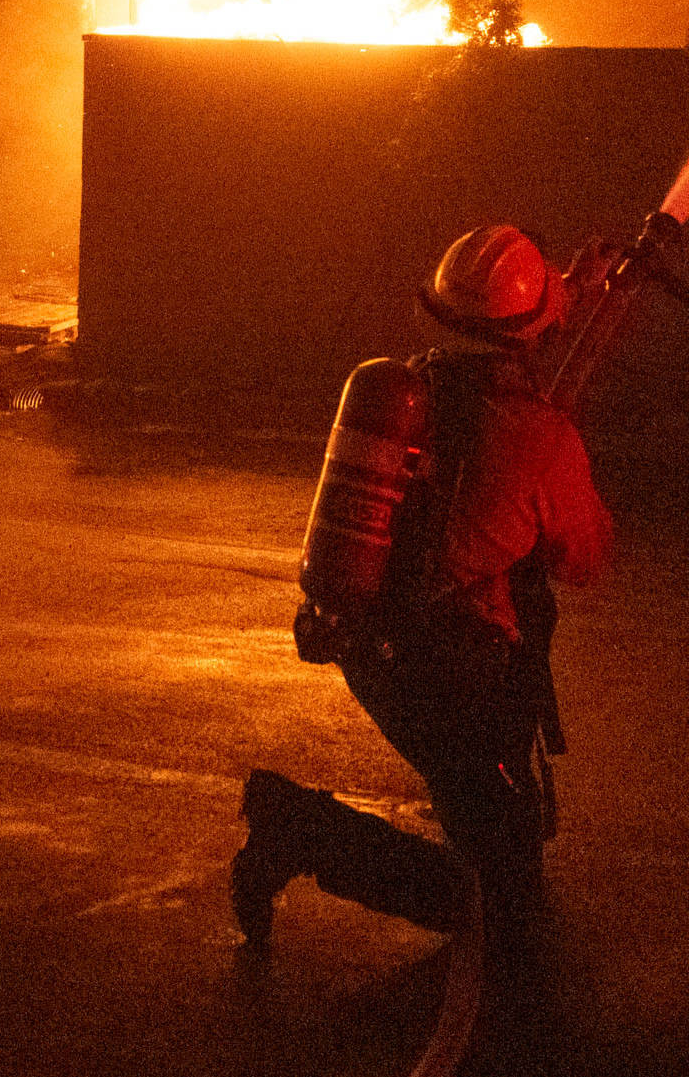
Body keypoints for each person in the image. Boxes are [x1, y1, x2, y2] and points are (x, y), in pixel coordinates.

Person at [235, 221, 612, 946]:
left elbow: (502, 322)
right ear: (527, 331)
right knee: (498, 908)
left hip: (370, 647)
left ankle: (472, 832)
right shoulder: (541, 438)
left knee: (495, 818)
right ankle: (297, 827)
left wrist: (578, 280)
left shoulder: (406, 393)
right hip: (458, 676)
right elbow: (585, 558)